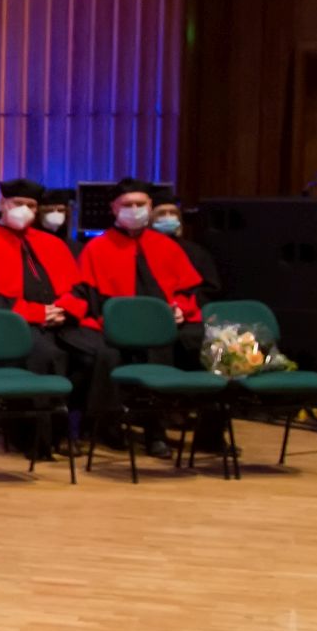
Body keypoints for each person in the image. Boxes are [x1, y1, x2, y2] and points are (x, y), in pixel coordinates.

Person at [0, 178, 89, 452]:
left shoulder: (51, 243)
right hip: (8, 326)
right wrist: (36, 313)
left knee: (96, 354)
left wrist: (65, 310)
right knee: (47, 354)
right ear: (4, 204)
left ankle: (78, 429)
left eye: (31, 206)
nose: (24, 210)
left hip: (57, 321)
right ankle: (39, 439)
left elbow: (76, 288)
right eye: (18, 203)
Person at [73, 177, 213, 455]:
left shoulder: (167, 246)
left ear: (150, 206)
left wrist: (180, 309)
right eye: (127, 205)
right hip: (114, 327)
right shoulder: (96, 249)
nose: (134, 210)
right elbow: (89, 298)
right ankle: (116, 426)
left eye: (140, 204)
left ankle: (198, 433)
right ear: (114, 208)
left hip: (165, 326)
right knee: (125, 351)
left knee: (209, 345)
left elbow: (188, 290)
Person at [150, 188, 224, 298]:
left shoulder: (196, 252)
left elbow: (210, 288)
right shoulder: (142, 250)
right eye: (161, 213)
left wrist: (184, 301)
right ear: (151, 219)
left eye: (173, 213)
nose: (168, 217)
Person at [37, 186, 82, 256]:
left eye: (60, 210)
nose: (55, 214)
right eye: (49, 211)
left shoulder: (76, 248)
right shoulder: (30, 245)